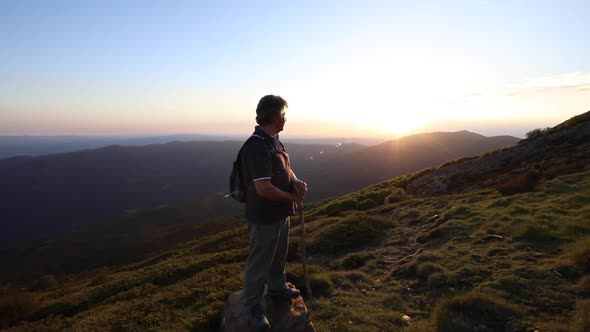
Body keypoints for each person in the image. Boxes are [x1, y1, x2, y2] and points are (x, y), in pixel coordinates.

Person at [240, 95, 308, 331]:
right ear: (273, 116)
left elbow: (284, 170)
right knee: (260, 261)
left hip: (280, 213)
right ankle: (252, 307)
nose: (285, 119)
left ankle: (277, 286)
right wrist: (291, 197)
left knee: (278, 256)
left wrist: (296, 181)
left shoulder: (274, 142)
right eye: (283, 114)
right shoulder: (257, 147)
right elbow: (263, 188)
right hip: (265, 216)